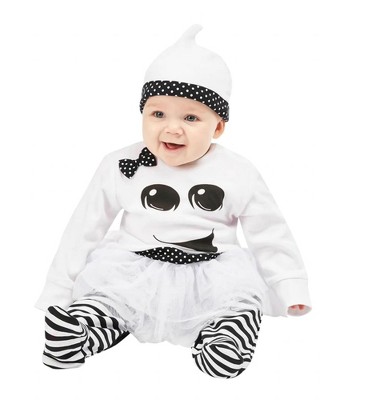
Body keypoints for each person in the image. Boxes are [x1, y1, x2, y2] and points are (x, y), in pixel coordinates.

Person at [36, 25, 311, 378]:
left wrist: (289, 285)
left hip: (214, 275)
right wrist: (59, 289)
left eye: (191, 117)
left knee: (238, 309)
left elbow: (269, 231)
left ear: (218, 127)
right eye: (158, 114)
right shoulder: (121, 164)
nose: (171, 128)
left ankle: (224, 345)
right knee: (108, 302)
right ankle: (77, 335)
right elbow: (84, 227)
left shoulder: (237, 172)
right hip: (133, 271)